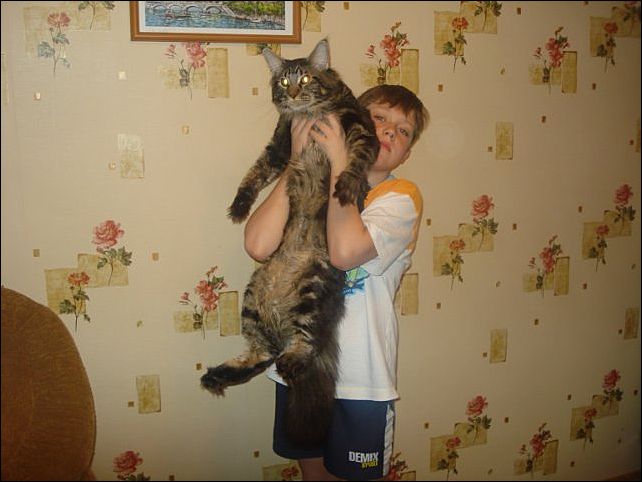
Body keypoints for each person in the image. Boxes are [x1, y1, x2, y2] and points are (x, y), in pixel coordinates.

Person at [243, 84, 429, 481]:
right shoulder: (315, 181)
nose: (389, 131)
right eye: (379, 118)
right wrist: (298, 162)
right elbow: (258, 244)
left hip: (360, 379)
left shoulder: (400, 197)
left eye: (403, 131)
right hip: (302, 367)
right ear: (352, 123)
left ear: (407, 154)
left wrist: (341, 164)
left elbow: (345, 252)